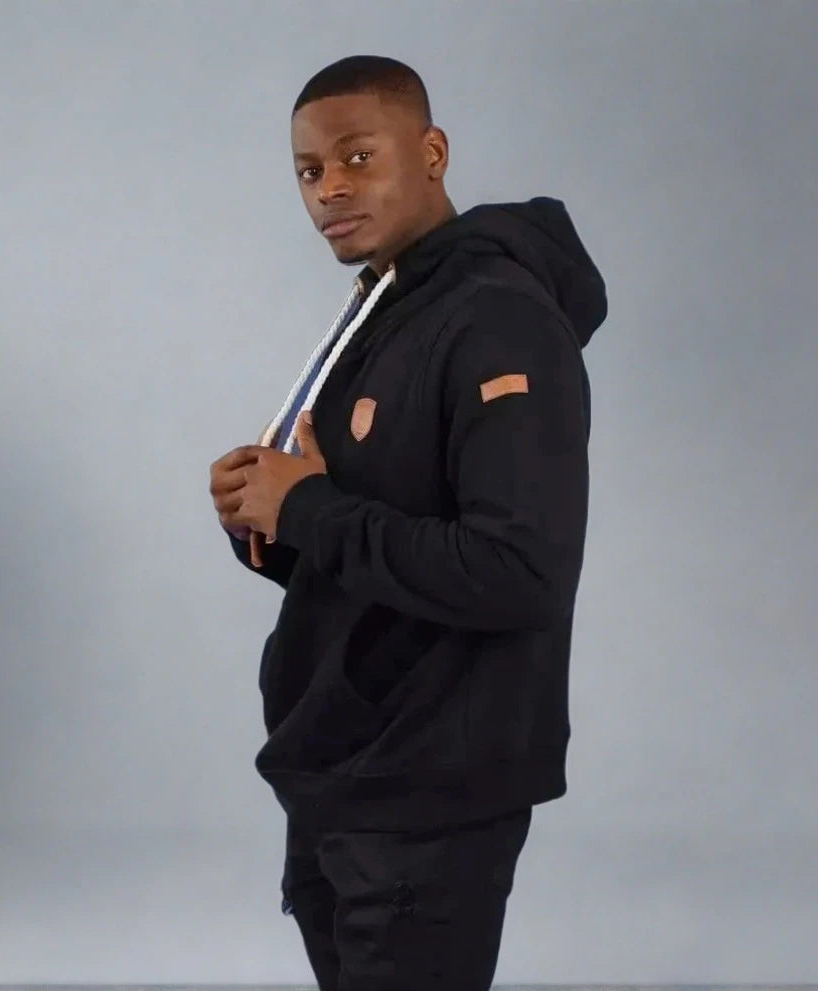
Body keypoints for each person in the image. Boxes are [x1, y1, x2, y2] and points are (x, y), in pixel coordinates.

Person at [209, 54, 606, 991]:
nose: (329, 189)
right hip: (346, 767)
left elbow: (518, 571)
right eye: (309, 170)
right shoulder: (389, 309)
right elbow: (381, 539)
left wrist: (307, 506)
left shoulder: (497, 320)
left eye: (358, 157)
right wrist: (269, 516)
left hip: (430, 785)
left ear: (431, 152)